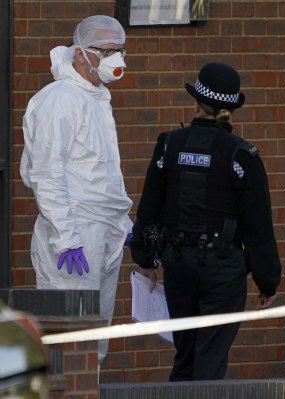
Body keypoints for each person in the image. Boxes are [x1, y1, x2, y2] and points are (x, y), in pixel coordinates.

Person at [130, 62, 282, 381]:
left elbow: (148, 208)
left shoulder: (169, 145)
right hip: (223, 269)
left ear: (196, 102)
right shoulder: (242, 156)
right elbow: (258, 226)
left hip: (178, 264)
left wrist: (145, 261)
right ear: (231, 108)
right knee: (210, 357)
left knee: (185, 353)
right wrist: (267, 280)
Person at [20, 15, 133, 365]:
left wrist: (122, 223)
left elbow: (101, 170)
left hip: (102, 234)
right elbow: (48, 175)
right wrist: (67, 237)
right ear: (81, 54)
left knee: (93, 343)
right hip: (72, 239)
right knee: (69, 344)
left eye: (121, 50)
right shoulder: (59, 100)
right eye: (107, 51)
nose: (117, 59)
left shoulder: (97, 97)